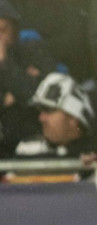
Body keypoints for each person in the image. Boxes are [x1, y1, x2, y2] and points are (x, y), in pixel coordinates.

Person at [0, 0, 58, 156]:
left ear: (13, 29)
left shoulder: (32, 50)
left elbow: (36, 94)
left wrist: (5, 63)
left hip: (28, 135)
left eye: (2, 30)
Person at [13, 72, 97, 158]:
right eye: (40, 111)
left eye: (49, 110)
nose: (41, 118)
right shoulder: (27, 148)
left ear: (73, 118)